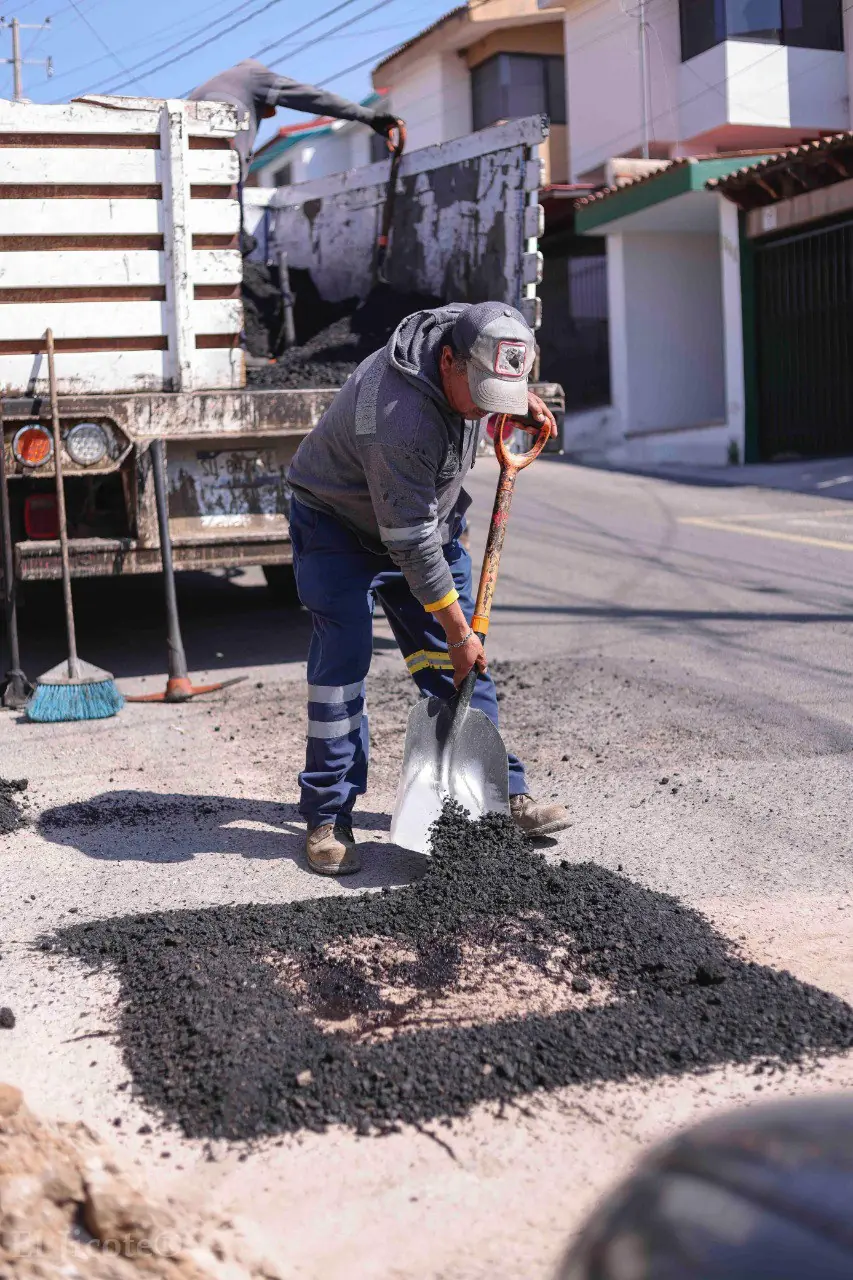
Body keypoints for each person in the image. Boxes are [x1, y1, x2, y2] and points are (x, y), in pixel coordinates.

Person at [286, 301, 572, 876]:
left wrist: (513, 400)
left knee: (462, 665)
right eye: (483, 395)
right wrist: (458, 631)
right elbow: (411, 543)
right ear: (448, 363)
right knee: (343, 667)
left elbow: (421, 533)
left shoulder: (474, 332)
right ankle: (327, 816)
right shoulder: (399, 418)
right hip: (338, 525)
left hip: (421, 521)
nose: (487, 409)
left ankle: (498, 793)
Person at [188, 59, 399, 183]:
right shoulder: (253, 77)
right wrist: (369, 117)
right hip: (219, 181)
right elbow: (313, 98)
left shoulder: (204, 91)